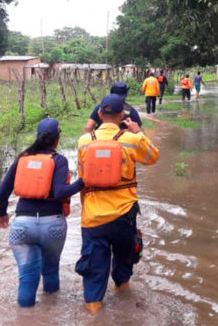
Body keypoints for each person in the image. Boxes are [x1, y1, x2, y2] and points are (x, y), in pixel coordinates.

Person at [75, 94, 159, 314]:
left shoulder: (84, 142)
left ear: (100, 114)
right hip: (123, 215)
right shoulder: (130, 140)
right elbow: (153, 157)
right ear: (122, 115)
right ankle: (125, 305)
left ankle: (94, 315)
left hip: (93, 217)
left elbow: (83, 177)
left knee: (94, 271)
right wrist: (138, 132)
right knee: (123, 263)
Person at [0, 118, 84, 307]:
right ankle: (50, 313)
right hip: (52, 225)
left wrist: (1, 214)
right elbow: (60, 193)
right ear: (56, 139)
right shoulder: (59, 160)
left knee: (27, 279)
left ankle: (26, 318)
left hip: (22, 225)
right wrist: (83, 182)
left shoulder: (22, 158)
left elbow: (3, 191)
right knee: (50, 271)